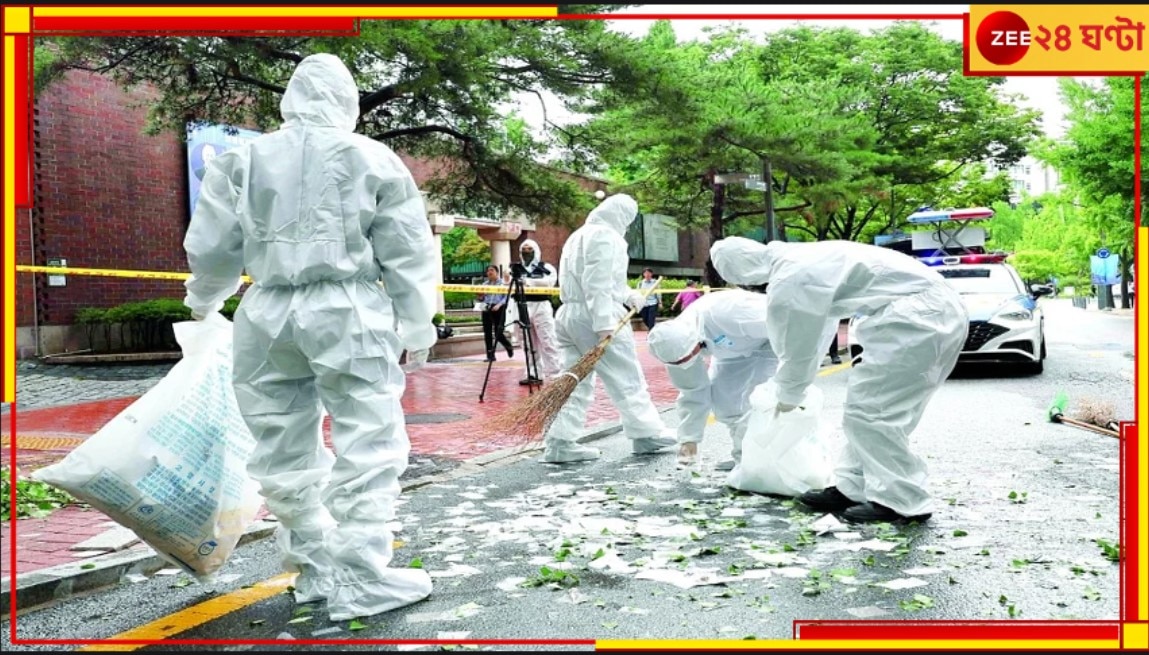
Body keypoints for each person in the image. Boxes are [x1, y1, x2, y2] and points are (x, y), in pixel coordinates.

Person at [182, 53, 437, 620]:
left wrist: (203, 300)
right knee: (368, 438)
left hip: (265, 310)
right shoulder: (372, 157)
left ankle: (315, 570)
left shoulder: (243, 158)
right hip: (347, 308)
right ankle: (363, 577)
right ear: (345, 100)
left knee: (281, 445)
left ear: (289, 99)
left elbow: (213, 243)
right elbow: (408, 247)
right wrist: (418, 321)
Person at [710, 237, 968, 523]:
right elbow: (819, 331)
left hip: (916, 318)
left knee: (872, 414)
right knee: (871, 411)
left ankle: (904, 501)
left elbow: (797, 346)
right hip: (932, 312)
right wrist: (794, 385)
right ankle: (853, 487)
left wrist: (788, 394)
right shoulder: (803, 256)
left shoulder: (791, 277)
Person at [541, 194, 676, 463]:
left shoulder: (578, 236)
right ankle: (646, 434)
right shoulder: (607, 237)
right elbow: (597, 283)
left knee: (573, 381)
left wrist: (629, 296)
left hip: (569, 315)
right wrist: (604, 324)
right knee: (626, 376)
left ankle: (559, 442)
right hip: (595, 317)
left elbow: (600, 282)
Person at [646, 289, 778, 471]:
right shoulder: (673, 346)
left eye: (685, 359)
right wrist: (689, 440)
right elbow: (693, 391)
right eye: (678, 363)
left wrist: (797, 373)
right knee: (726, 405)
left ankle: (765, 463)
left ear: (694, 343)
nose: (683, 364)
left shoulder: (734, 314)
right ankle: (745, 458)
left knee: (758, 402)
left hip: (773, 343)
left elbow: (789, 324)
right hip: (732, 352)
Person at [513, 239, 562, 384]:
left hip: (541, 305)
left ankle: (555, 372)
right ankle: (533, 372)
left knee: (547, 339)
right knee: (527, 342)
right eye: (524, 248)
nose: (526, 251)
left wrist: (528, 282)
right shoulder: (515, 268)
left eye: (530, 248)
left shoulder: (545, 267)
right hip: (522, 305)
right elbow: (507, 282)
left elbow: (550, 282)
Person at [478, 265, 514, 362]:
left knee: (498, 331)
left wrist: (498, 305)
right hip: (487, 308)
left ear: (497, 272)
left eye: (492, 270)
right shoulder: (484, 284)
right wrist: (480, 296)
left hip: (499, 308)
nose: (489, 272)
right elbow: (481, 298)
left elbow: (506, 297)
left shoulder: (503, 284)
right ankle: (490, 355)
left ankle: (508, 346)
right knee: (487, 333)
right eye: (488, 271)